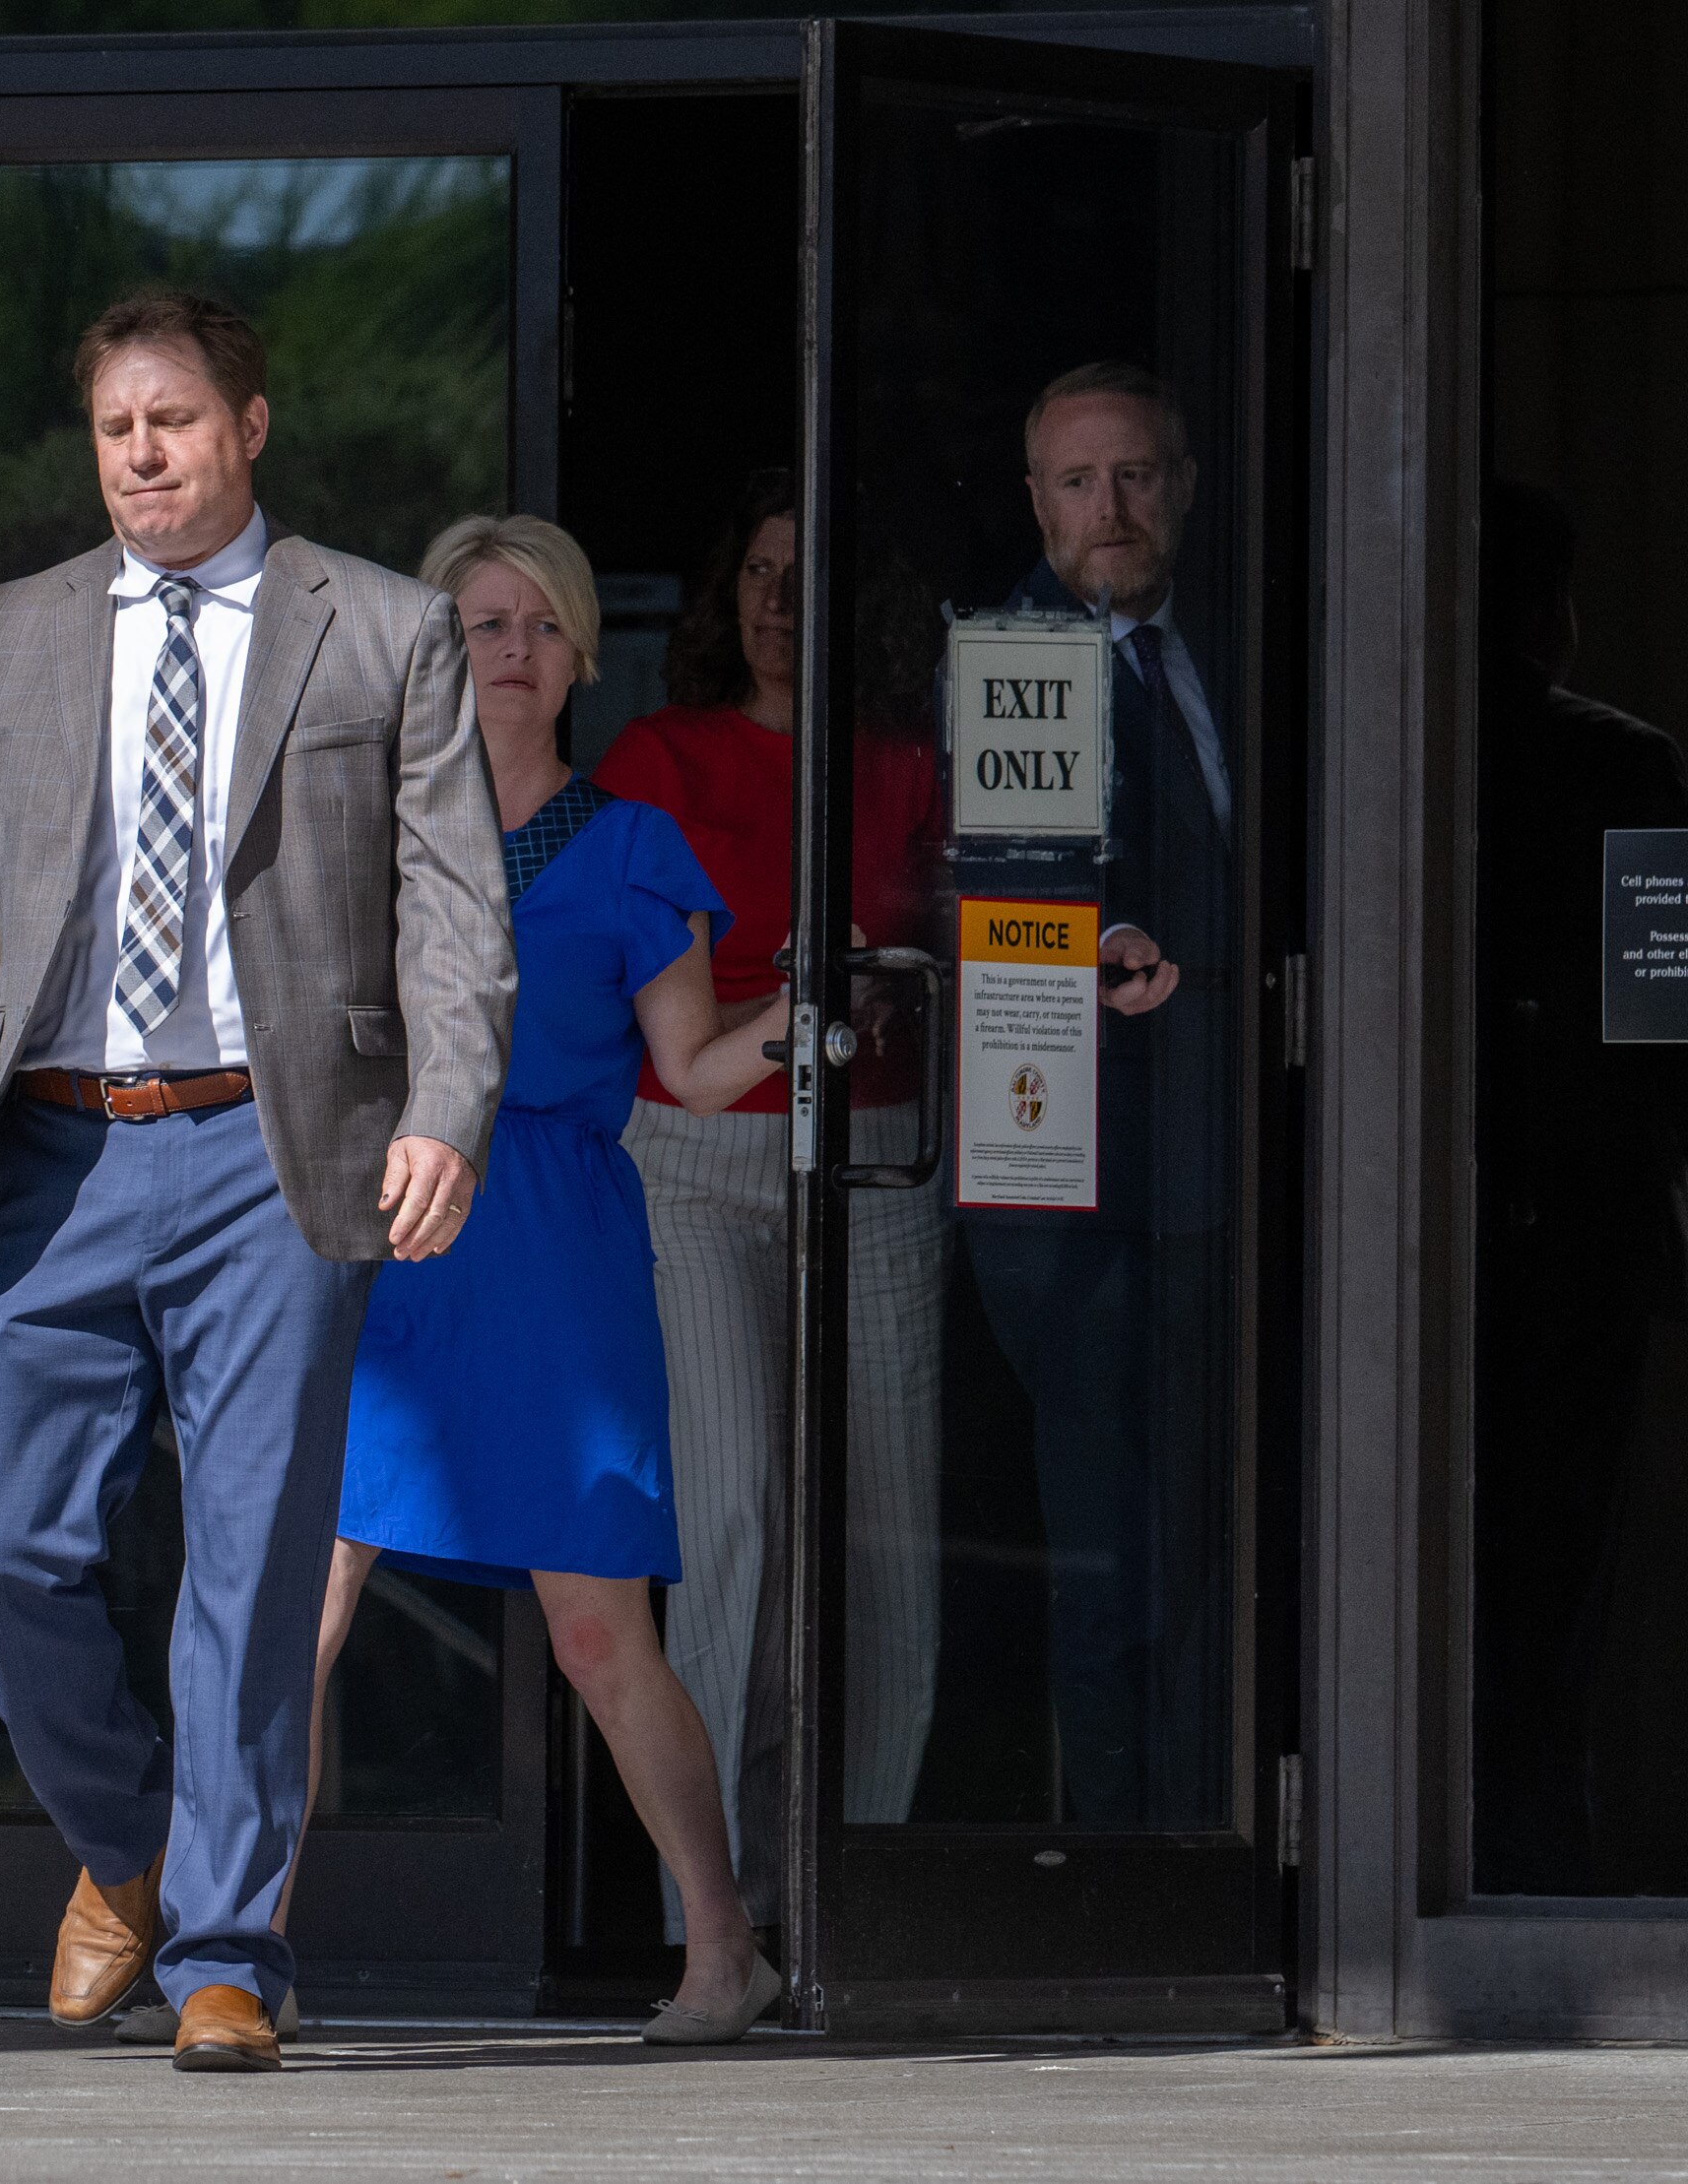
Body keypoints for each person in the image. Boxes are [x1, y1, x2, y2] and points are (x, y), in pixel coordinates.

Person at [0, 289, 514, 2072]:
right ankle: (125, 1841)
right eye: (116, 429)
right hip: (53, 1150)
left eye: (173, 422)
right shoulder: (8, 633)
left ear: (249, 427)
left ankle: (223, 1951)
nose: (140, 456)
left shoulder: (385, 627)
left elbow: (453, 906)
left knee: (254, 1566)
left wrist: (446, 1106)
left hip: (274, 1152)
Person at [304, 514, 791, 2041]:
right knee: (299, 1608)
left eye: (539, 625)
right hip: (386, 1237)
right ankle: (225, 1955)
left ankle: (724, 1947)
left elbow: (692, 1067)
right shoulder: (366, 832)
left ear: (583, 653)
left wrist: (823, 1012)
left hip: (556, 1254)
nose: (510, 652)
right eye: (479, 625)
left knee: (598, 1632)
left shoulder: (635, 845)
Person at [591, 472, 947, 1937]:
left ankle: (855, 1897)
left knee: (885, 1531)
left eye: (806, 573)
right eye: (756, 570)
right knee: (731, 1513)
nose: (778, 600)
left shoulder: (913, 765)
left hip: (877, 1153)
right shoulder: (661, 753)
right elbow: (617, 962)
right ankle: (715, 1914)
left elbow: (985, 940)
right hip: (696, 1155)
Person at [957, 360, 1238, 1828]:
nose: (1109, 507)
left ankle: (1217, 1834)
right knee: (1108, 1549)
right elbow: (995, 873)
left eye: (1133, 475)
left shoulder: (1248, 649)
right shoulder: (1010, 655)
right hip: (1069, 1192)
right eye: (1078, 482)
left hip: (1234, 1160)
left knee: (1221, 1533)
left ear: (1181, 486)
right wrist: (1097, 937)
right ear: (1036, 502)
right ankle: (1130, 1868)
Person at [1470, 480, 1688, 1893]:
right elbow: (1660, 1020)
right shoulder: (1625, 765)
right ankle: (1535, 1861)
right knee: (1558, 1576)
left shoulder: (1373, 744)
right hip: (1584, 1229)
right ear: (1554, 610)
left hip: (1417, 1225)